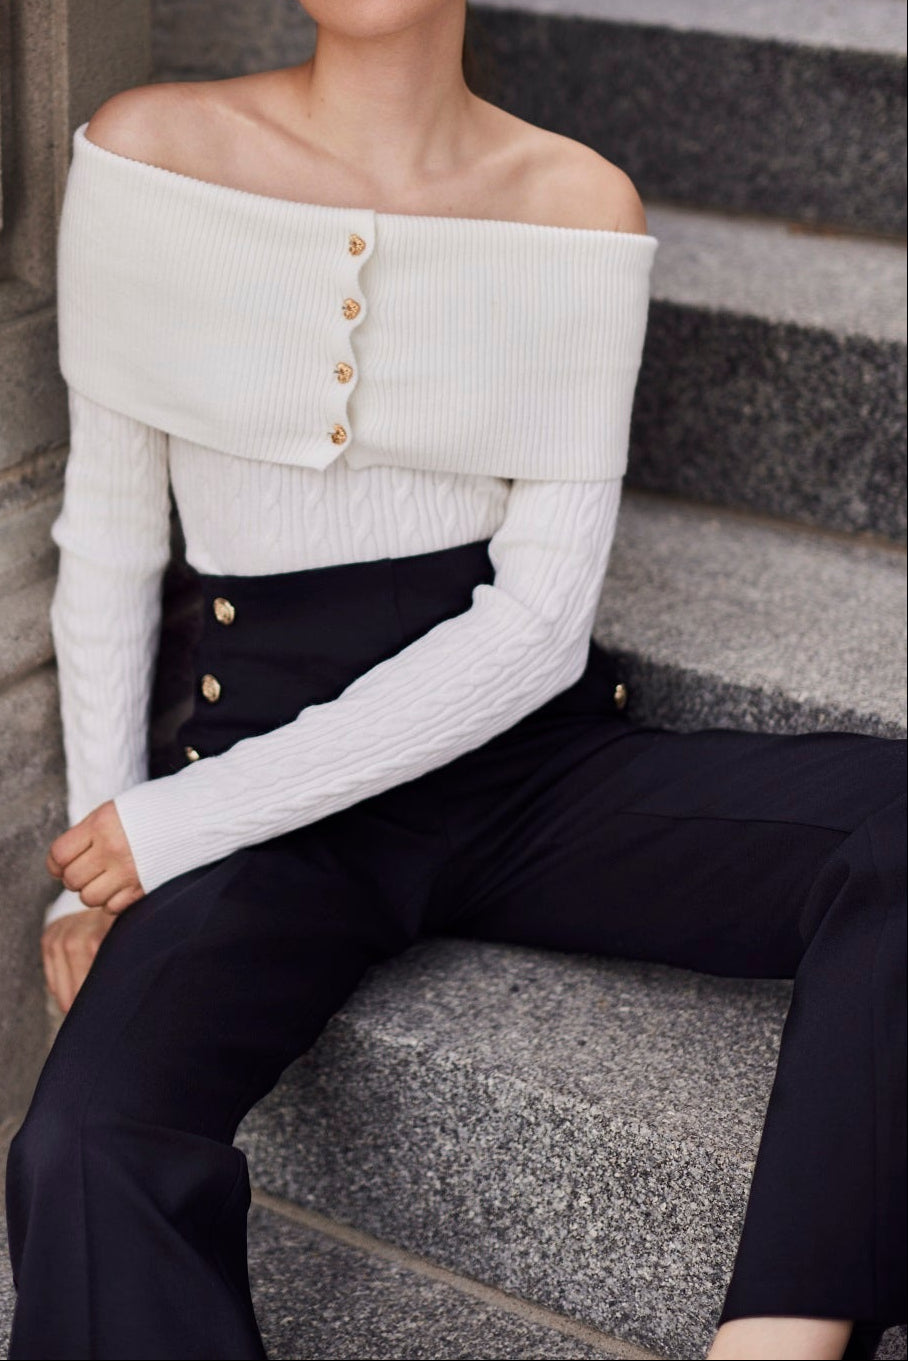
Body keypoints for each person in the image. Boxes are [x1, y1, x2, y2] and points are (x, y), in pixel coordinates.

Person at [5, 3, 905, 1359]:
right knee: (81, 1142)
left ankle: (780, 1343)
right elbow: (113, 538)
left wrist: (163, 831)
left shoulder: (574, 203)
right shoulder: (150, 152)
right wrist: (105, 865)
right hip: (261, 783)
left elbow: (539, 629)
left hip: (519, 763)